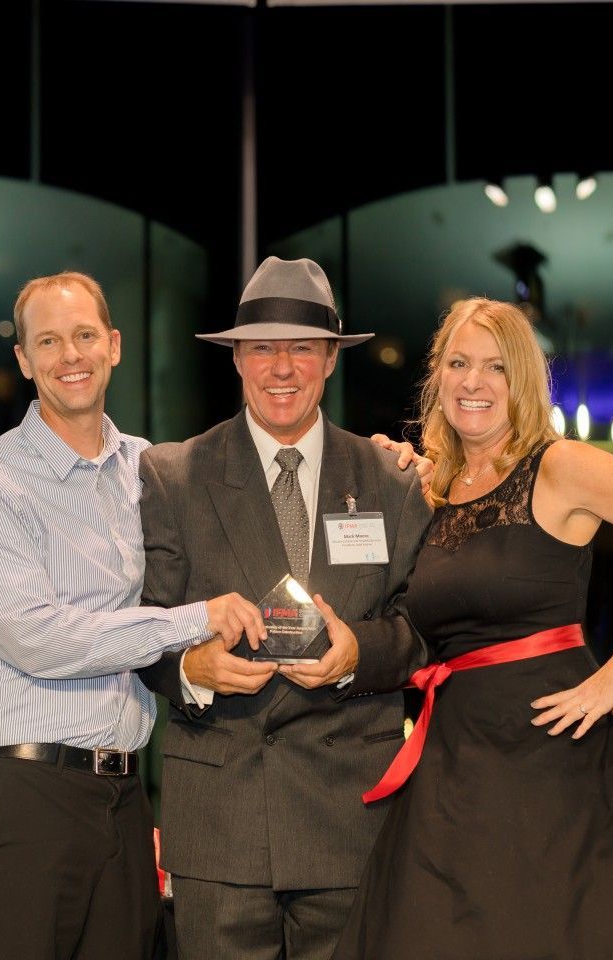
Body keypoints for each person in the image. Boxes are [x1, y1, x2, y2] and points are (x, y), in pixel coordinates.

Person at [331, 297, 613, 960]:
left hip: (553, 758)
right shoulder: (433, 487)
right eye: (459, 363)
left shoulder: (561, 466)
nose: (473, 381)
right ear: (437, 378)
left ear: (522, 380)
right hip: (453, 767)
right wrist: (384, 476)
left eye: (495, 367)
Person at [0, 270, 268, 960]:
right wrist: (192, 621)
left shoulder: (149, 469)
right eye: (50, 341)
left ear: (114, 346)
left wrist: (386, 463)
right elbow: (40, 638)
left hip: (124, 797)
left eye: (85, 335)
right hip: (25, 794)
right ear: (25, 360)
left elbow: (249, 495)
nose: (72, 355)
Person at [137, 256, 435, 960]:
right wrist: (191, 667)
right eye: (263, 347)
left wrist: (359, 652)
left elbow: (423, 631)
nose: (282, 367)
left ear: (330, 358)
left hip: (350, 819)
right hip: (221, 821)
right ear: (237, 357)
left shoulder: (392, 480)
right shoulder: (174, 476)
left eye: (302, 347)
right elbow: (140, 627)